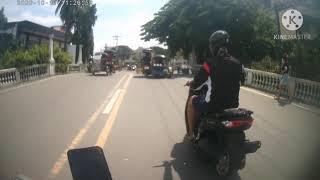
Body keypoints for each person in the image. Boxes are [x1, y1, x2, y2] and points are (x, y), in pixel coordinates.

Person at [185, 30, 245, 140]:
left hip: (213, 106)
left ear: (214, 46)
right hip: (232, 105)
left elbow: (197, 83)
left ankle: (190, 134)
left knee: (192, 100)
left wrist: (191, 84)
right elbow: (243, 80)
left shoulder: (209, 64)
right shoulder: (238, 63)